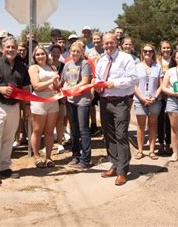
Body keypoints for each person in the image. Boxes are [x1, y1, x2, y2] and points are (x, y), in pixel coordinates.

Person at [0, 37, 30, 185]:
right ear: (2, 49)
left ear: (17, 49)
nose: (10, 50)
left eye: (13, 47)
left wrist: (26, 105)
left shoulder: (22, 67)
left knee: (9, 138)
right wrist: (0, 89)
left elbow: (26, 87)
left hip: (14, 106)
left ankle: (4, 167)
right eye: (7, 47)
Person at [95, 33, 137, 186]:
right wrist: (97, 85)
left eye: (111, 43)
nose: (108, 46)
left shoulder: (126, 58)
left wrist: (115, 83)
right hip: (104, 102)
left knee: (121, 135)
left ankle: (122, 171)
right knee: (109, 135)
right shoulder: (101, 60)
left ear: (116, 43)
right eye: (106, 43)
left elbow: (133, 78)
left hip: (120, 102)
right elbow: (99, 78)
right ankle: (114, 164)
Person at [62, 40, 93, 169]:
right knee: (74, 130)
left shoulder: (85, 64)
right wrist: (63, 90)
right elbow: (64, 80)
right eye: (73, 51)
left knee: (83, 130)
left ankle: (86, 159)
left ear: (82, 52)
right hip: (70, 101)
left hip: (82, 101)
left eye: (77, 51)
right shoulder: (67, 64)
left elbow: (85, 81)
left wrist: (72, 88)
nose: (75, 53)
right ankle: (75, 156)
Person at [28, 46, 60, 168]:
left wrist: (58, 85)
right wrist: (51, 81)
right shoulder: (33, 68)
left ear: (47, 55)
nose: (40, 56)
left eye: (42, 54)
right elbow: (36, 86)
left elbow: (56, 86)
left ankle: (48, 157)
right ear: (34, 57)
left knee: (49, 131)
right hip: (39, 101)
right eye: (38, 54)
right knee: (37, 130)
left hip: (53, 100)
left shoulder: (52, 67)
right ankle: (36, 156)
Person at [133, 44, 162, 160]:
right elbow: (134, 85)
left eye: (150, 51)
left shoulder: (157, 67)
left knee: (153, 125)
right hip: (140, 100)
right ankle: (140, 150)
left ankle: (151, 150)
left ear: (153, 53)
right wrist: (142, 98)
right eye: (145, 51)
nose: (147, 53)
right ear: (142, 52)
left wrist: (155, 97)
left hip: (154, 100)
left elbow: (161, 85)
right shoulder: (136, 67)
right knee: (140, 126)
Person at [50, 44, 67, 154]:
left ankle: (60, 143)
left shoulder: (64, 66)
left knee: (60, 120)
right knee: (50, 122)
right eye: (53, 52)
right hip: (49, 97)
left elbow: (66, 80)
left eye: (58, 52)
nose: (55, 54)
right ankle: (49, 143)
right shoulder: (46, 65)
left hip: (60, 96)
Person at [157, 40, 172, 155]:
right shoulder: (157, 61)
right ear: (160, 49)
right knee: (160, 121)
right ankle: (161, 144)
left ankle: (168, 145)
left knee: (170, 122)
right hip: (159, 95)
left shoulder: (174, 60)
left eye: (168, 48)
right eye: (164, 48)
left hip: (172, 95)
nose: (166, 50)